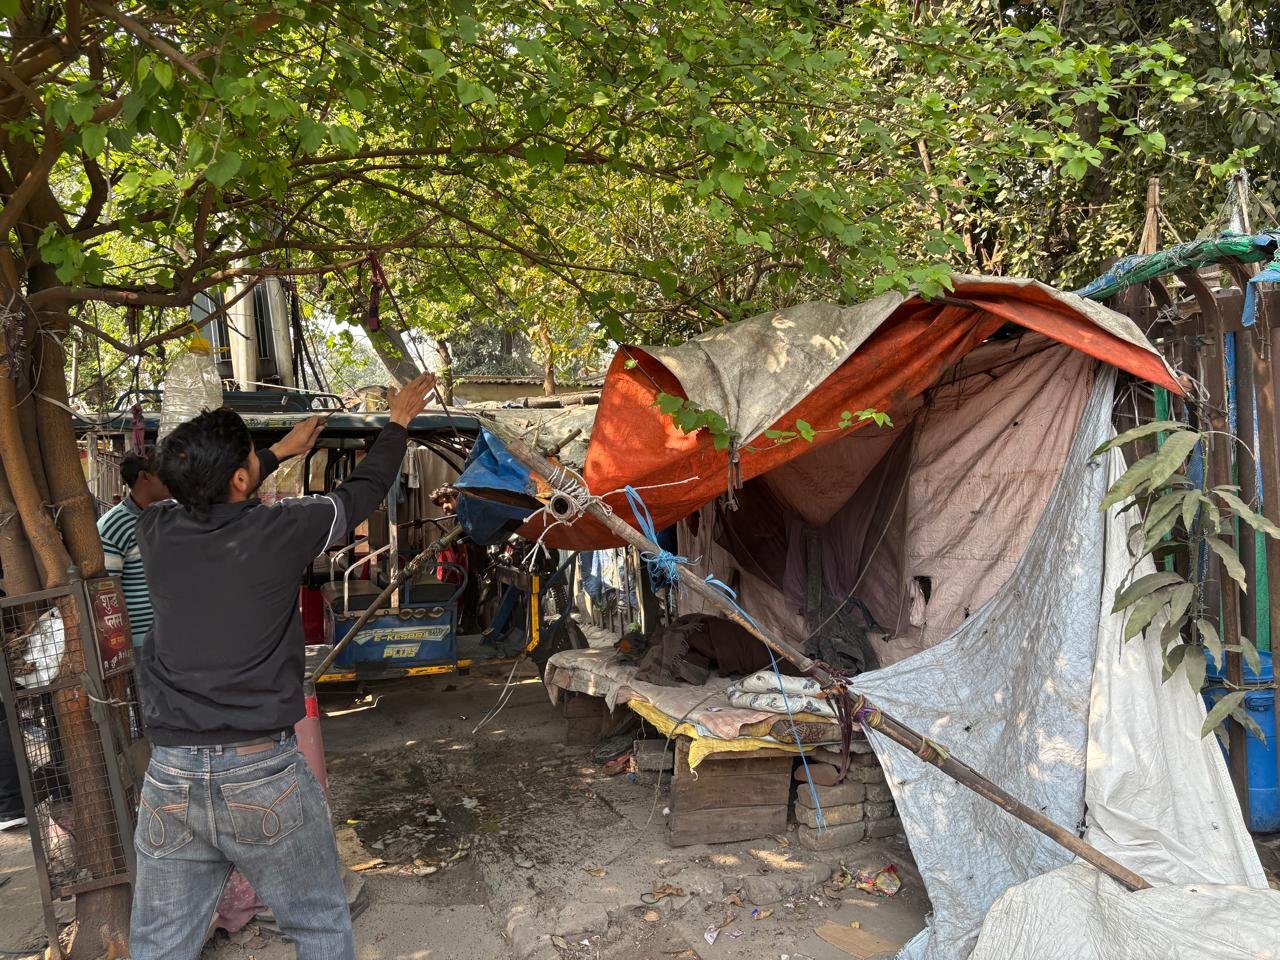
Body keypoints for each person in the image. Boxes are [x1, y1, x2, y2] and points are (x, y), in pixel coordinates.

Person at [127, 373, 436, 960]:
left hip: (170, 775)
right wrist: (397, 423)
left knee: (159, 945)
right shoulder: (283, 529)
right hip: (260, 771)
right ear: (241, 479)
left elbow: (210, 490)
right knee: (318, 925)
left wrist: (278, 452)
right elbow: (363, 491)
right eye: (251, 456)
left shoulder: (156, 529)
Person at [97, 451, 171, 648]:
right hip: (141, 642)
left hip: (171, 635)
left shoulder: (166, 516)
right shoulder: (113, 526)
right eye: (164, 473)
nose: (171, 478)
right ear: (144, 476)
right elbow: (108, 592)